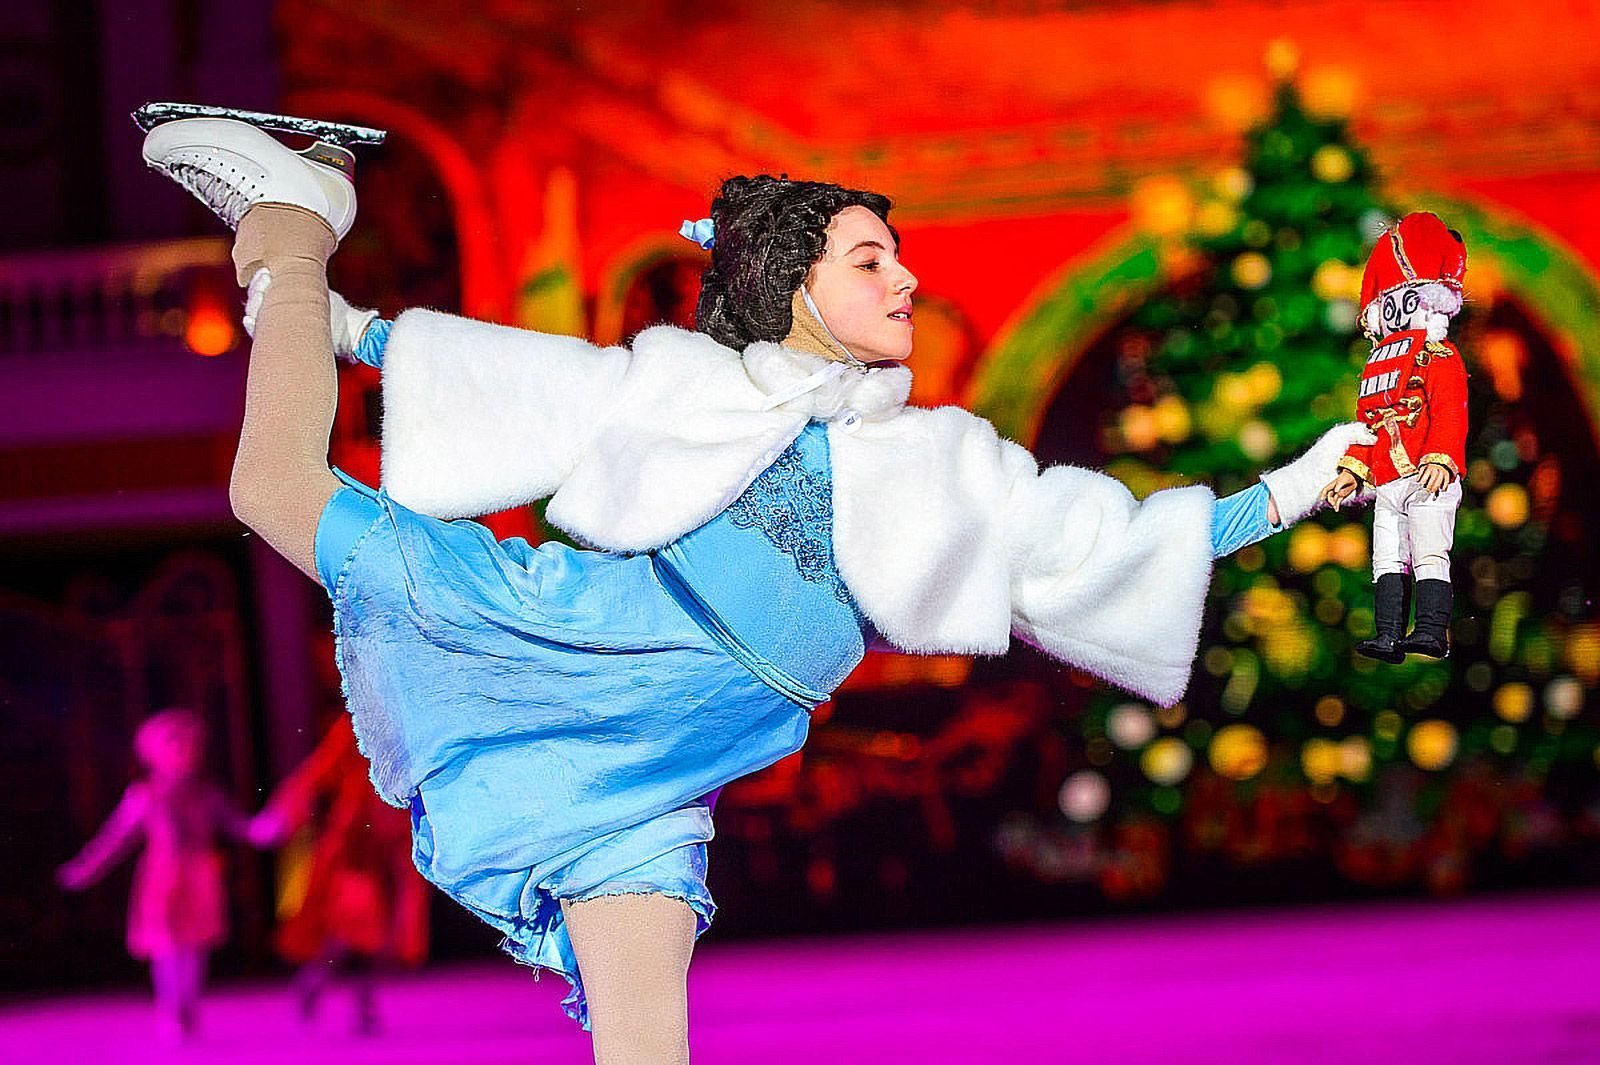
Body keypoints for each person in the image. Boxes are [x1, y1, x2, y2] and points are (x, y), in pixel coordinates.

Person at [140, 116, 1368, 1063]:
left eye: (898, 259)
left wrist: (1306, 485)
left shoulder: (940, 462)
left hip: (667, 774)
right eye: (871, 259)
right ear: (794, 285)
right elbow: (544, 389)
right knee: (271, 486)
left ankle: (298, 239)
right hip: (572, 641)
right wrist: (348, 328)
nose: (905, 281)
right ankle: (293, 226)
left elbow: (1110, 539)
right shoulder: (695, 388)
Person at [58, 707, 273, 1042]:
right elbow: (115, 838)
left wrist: (260, 829)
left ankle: (188, 1007)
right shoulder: (145, 795)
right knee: (167, 948)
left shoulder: (205, 793)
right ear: (153, 752)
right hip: (162, 881)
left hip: (199, 878)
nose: (185, 751)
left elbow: (236, 824)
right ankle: (172, 1010)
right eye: (176, 745)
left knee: (194, 948)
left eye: (191, 745)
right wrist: (86, 867)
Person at [256, 713, 429, 1034]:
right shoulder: (357, 724)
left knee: (375, 934)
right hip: (355, 844)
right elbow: (319, 771)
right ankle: (325, 988)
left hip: (390, 844)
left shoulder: (416, 725)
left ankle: (345, 996)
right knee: (353, 929)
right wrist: (282, 814)